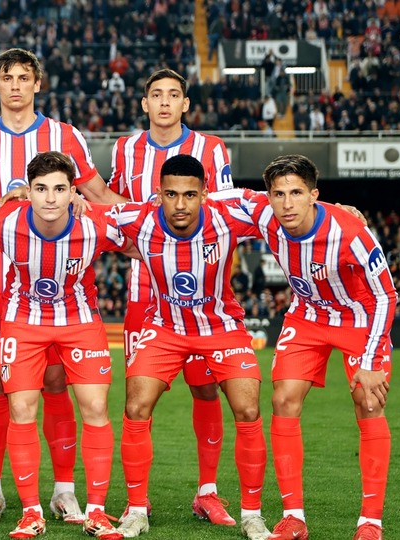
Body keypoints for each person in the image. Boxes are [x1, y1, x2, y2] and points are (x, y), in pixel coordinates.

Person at [0, 48, 125, 523]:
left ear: (37, 84)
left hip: (64, 283)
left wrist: (155, 212)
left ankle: (64, 490)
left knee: (56, 381)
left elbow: (100, 195)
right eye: (6, 78)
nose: (15, 86)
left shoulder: (65, 136)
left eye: (24, 78)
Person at [227, 155, 396, 540]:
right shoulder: (265, 214)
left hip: (359, 317)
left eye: (296, 194)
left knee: (369, 401)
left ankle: (370, 523)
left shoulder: (350, 232)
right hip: (308, 316)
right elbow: (223, 197)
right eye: (279, 194)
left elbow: (386, 295)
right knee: (283, 400)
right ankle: (294, 517)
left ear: (314, 196)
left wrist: (369, 361)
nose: (286, 203)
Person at [109, 155, 270, 540]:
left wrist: (335, 208)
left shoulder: (228, 215)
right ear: (158, 194)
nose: (180, 204)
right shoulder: (140, 218)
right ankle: (136, 510)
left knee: (247, 408)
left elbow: (283, 201)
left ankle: (252, 514)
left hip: (220, 327)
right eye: (171, 194)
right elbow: (88, 216)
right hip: (163, 327)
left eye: (189, 195)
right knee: (136, 405)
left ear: (205, 194)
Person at [0, 151, 124, 540]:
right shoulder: (4, 222)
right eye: (41, 189)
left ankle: (98, 512)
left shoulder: (95, 224)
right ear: (28, 191)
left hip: (80, 321)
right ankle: (31, 512)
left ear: (73, 191)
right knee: (21, 409)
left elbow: (143, 234)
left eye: (59, 189)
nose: (50, 198)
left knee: (95, 408)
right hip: (22, 322)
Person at [109, 67, 236, 525]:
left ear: (186, 104)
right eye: (156, 95)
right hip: (146, 296)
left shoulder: (210, 148)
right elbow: (117, 211)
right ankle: (136, 502)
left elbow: (223, 211)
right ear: (144, 103)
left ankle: (207, 491)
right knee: (138, 399)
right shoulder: (125, 149)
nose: (164, 102)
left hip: (203, 297)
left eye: (174, 95)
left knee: (206, 389)